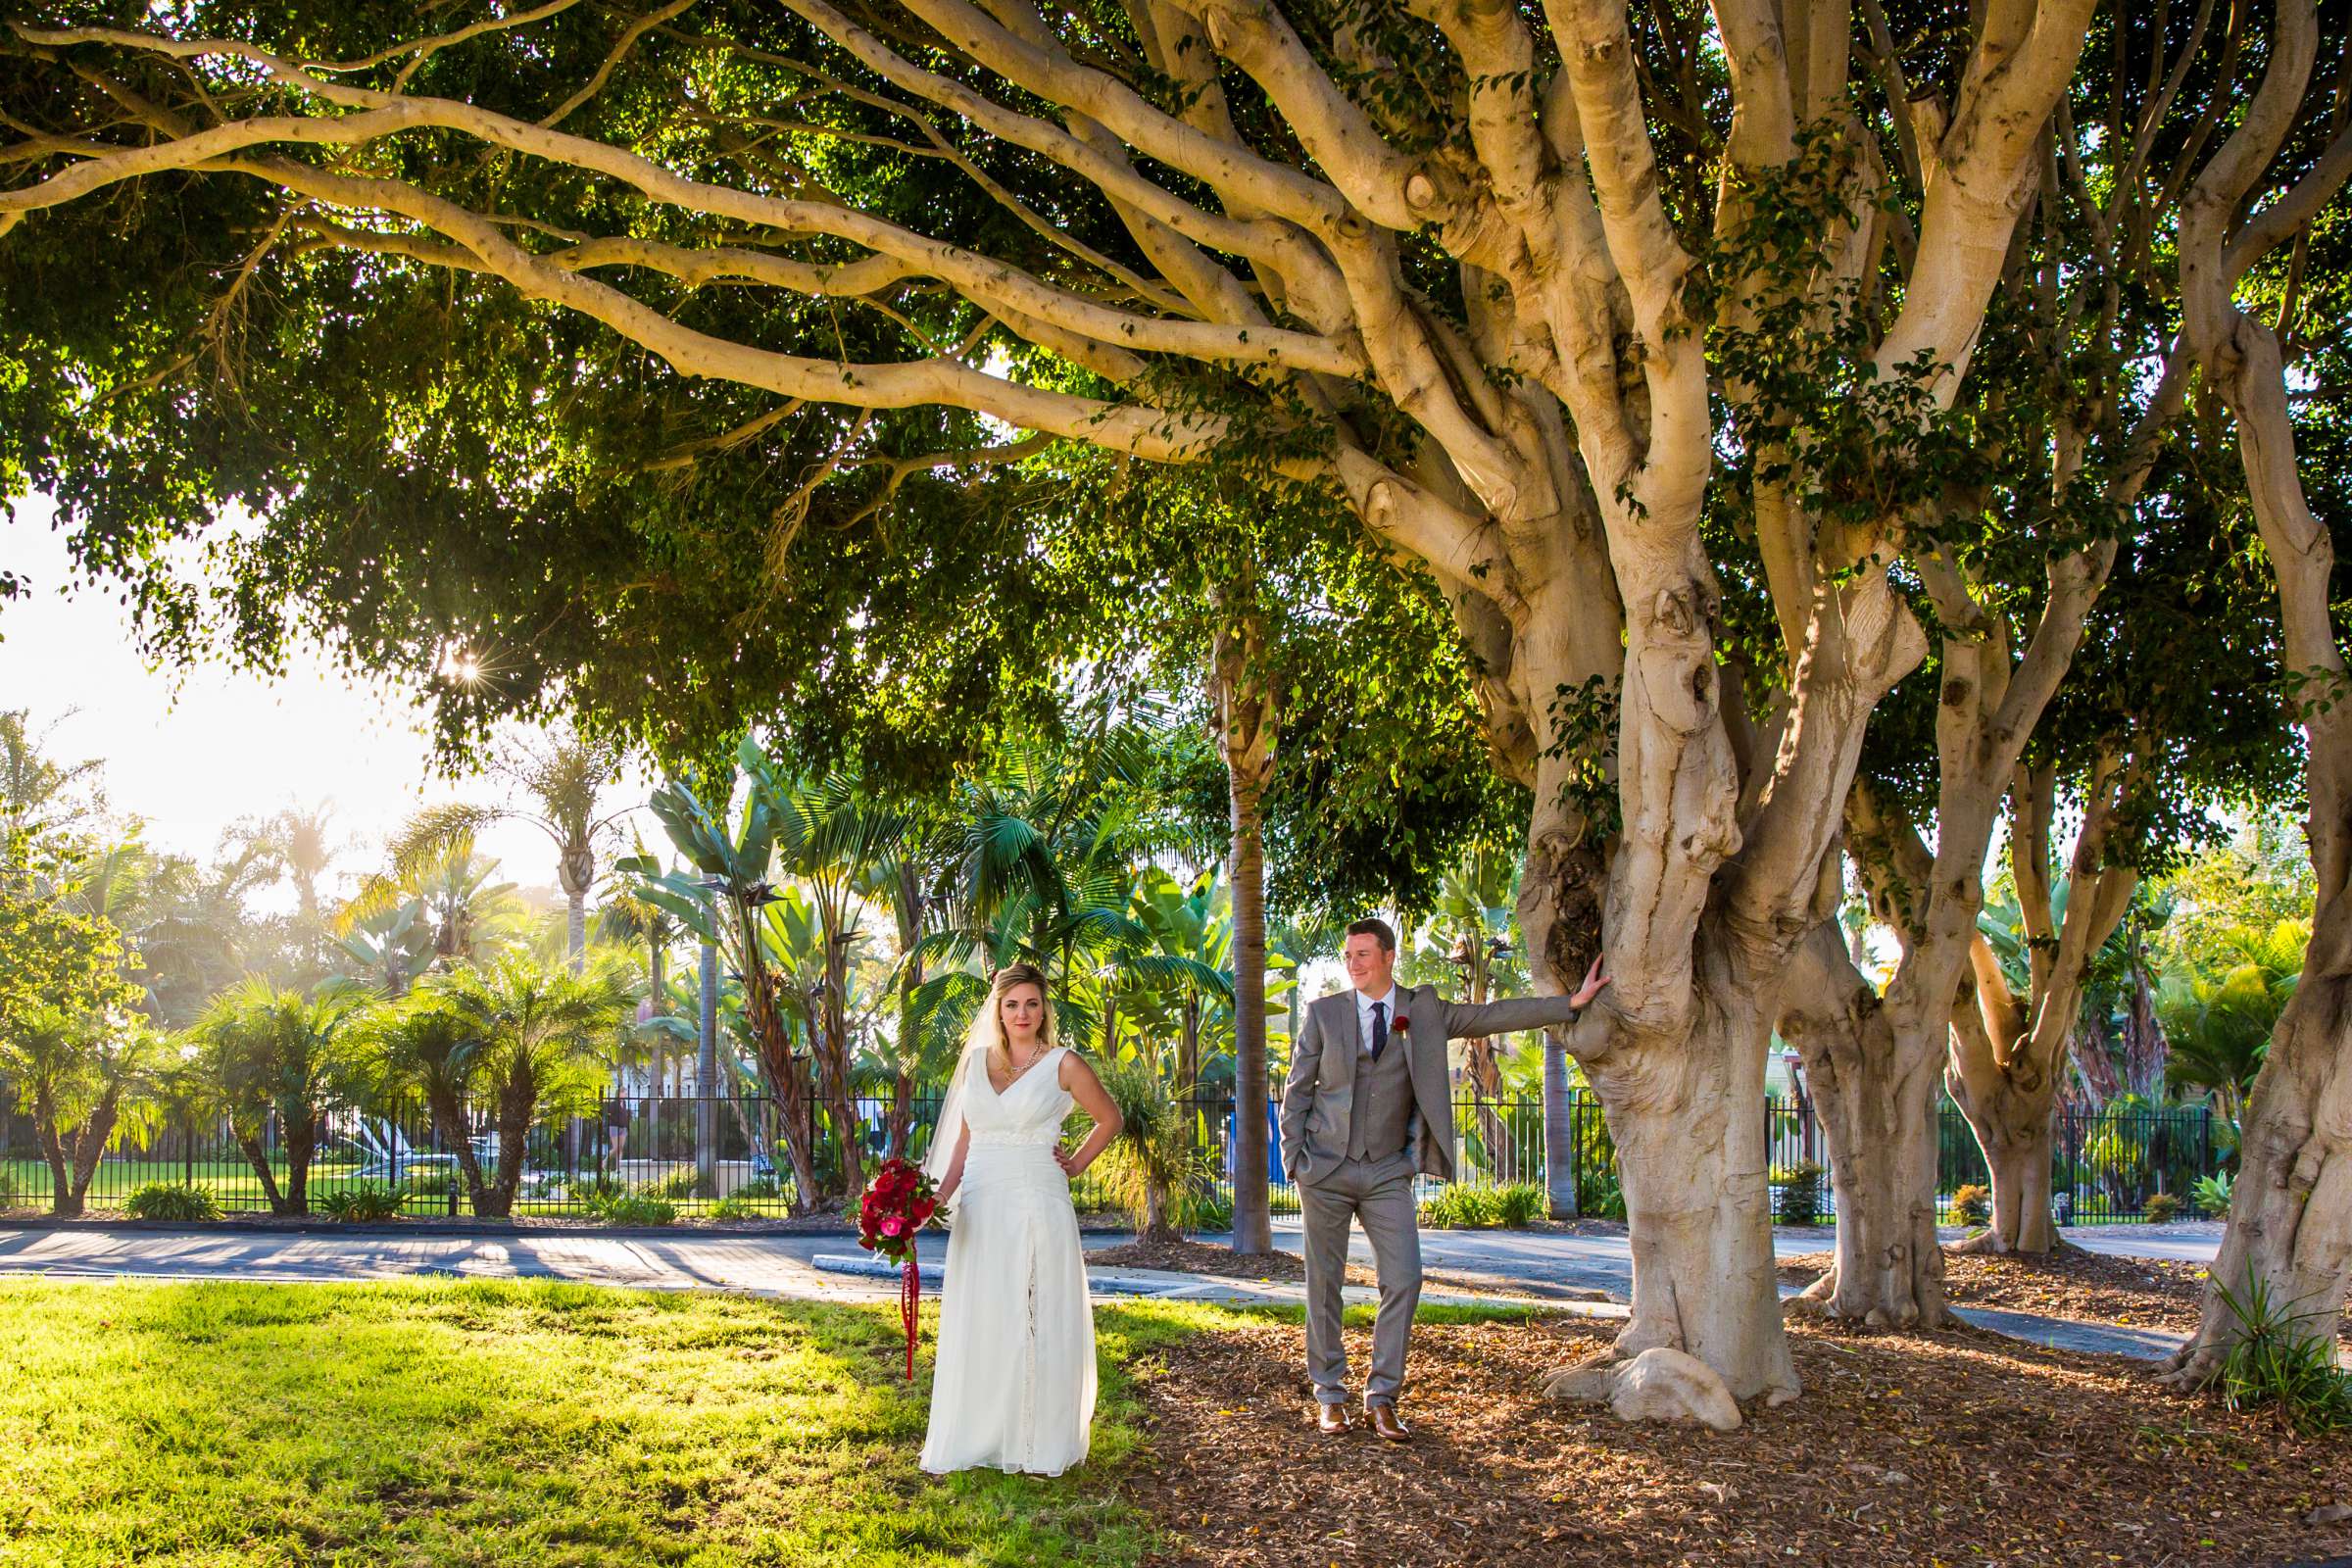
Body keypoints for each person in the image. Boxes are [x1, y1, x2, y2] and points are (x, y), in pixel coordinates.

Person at [1279, 917, 1609, 1442]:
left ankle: (1382, 1398)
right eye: (1349, 955)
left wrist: (1568, 1004)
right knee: (1324, 1284)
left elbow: (1490, 1016)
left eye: (1363, 954)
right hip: (1326, 1168)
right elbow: (1297, 1091)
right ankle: (1331, 1397)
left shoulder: (1423, 1010)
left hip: (1389, 1170)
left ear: (1388, 957)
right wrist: (1295, 1159)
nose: (1353, 963)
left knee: (1405, 1278)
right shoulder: (1323, 1014)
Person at [920, 962, 1123, 1476]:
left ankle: (1038, 1439)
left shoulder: (1063, 1063)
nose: (1022, 1014)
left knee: (1036, 1313)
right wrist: (939, 1196)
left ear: (1044, 1009)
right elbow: (965, 1141)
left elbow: (1109, 1119)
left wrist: (1076, 1163)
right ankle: (983, 1432)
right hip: (982, 1201)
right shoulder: (974, 1063)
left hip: (1038, 1197)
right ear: (998, 1009)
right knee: (985, 1311)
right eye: (1012, 1004)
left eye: (1032, 1004)